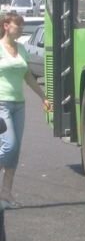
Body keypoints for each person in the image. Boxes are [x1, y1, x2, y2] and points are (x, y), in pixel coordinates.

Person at [1, 12, 51, 209]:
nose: (21, 29)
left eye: (22, 26)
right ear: (6, 26)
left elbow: (28, 76)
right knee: (9, 145)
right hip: (1, 104)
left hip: (19, 105)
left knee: (15, 151)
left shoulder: (21, 49)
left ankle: (6, 194)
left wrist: (43, 97)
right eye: (17, 25)